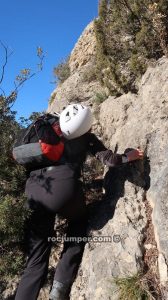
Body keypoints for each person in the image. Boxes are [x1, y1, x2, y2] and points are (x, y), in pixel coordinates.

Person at [14, 104, 144, 300]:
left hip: (34, 194)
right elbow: (110, 160)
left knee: (35, 261)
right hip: (64, 189)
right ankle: (59, 289)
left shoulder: (45, 127)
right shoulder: (86, 137)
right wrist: (128, 156)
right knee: (78, 223)